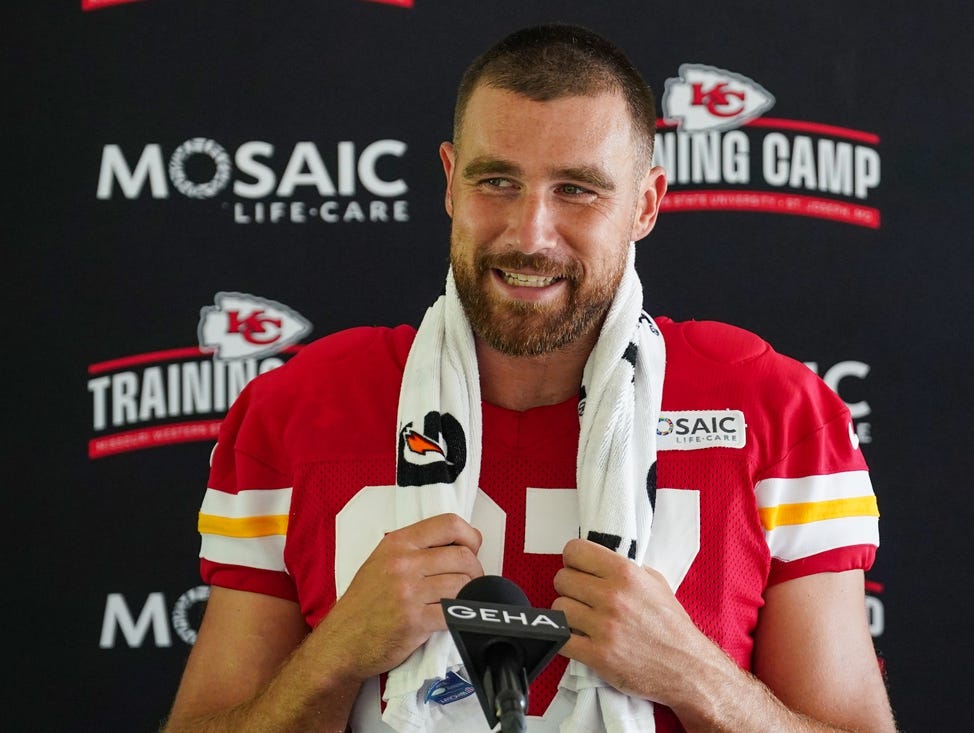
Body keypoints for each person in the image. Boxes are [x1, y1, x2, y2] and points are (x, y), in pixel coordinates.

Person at [162, 23, 896, 733]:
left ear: (645, 203)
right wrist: (335, 656)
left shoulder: (777, 412)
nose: (529, 233)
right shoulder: (297, 408)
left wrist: (689, 672)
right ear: (450, 183)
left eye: (577, 189)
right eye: (498, 181)